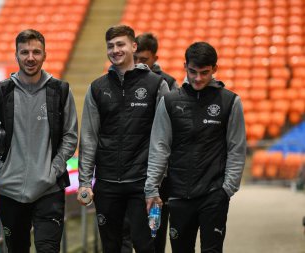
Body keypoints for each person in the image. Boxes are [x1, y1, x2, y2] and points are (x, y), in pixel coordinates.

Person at [0, 29, 78, 253]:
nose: (30, 57)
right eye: (24, 52)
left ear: (45, 55)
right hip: (9, 191)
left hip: (49, 189)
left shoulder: (60, 91)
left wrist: (54, 170)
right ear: (16, 55)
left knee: (48, 249)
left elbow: (70, 136)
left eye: (36, 52)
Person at [145, 41, 246, 253]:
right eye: (193, 71)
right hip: (178, 195)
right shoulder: (170, 102)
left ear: (214, 69)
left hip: (214, 194)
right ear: (185, 66)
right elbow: (159, 147)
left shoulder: (230, 102)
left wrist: (227, 189)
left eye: (204, 72)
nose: (198, 78)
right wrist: (152, 187)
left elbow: (236, 149)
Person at [77, 24, 170, 253]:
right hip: (107, 184)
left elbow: (164, 139)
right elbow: (89, 138)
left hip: (142, 184)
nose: (115, 50)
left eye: (121, 44)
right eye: (110, 46)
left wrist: (154, 184)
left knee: (146, 246)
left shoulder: (156, 85)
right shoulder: (97, 88)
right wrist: (85, 182)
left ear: (133, 46)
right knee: (111, 247)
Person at [120, 32, 178, 253]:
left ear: (155, 57)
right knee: (125, 231)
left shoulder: (168, 84)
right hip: (129, 169)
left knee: (154, 233)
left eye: (144, 59)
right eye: (136, 58)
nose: (139, 63)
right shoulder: (122, 81)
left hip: (158, 172)